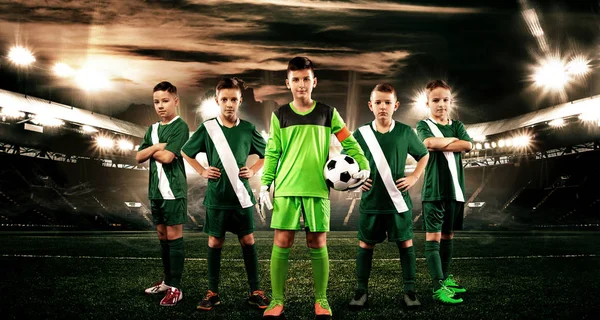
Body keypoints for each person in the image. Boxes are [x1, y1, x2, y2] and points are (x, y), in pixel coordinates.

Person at [260, 56, 370, 319]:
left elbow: (350, 143)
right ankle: (276, 301)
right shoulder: (279, 115)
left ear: (314, 82)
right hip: (286, 188)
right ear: (288, 83)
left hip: (318, 188)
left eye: (306, 79)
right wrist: (265, 183)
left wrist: (363, 164)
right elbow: (273, 152)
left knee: (317, 242)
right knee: (282, 241)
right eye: (296, 80)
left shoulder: (328, 113)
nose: (301, 85)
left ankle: (321, 300)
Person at [181, 77, 269, 311]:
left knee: (248, 240)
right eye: (224, 100)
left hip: (241, 197)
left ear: (240, 101)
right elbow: (186, 152)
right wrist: (201, 170)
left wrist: (252, 169)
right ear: (217, 101)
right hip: (217, 198)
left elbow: (266, 155)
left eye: (233, 99)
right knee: (215, 241)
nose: (229, 104)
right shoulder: (207, 127)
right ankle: (212, 292)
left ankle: (255, 291)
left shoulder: (248, 129)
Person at [348, 84, 429, 310]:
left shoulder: (405, 132)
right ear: (370, 105)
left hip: (398, 203)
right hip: (371, 203)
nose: (383, 107)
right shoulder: (361, 134)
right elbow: (347, 164)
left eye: (387, 102)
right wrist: (357, 180)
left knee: (405, 243)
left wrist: (413, 177)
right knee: (365, 245)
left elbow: (423, 155)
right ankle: (361, 291)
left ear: (396, 105)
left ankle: (410, 292)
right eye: (378, 102)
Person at [416, 79, 472, 304]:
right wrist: (451, 141)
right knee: (434, 238)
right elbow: (428, 143)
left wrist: (443, 143)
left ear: (451, 101)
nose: (441, 104)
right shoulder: (424, 125)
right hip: (434, 190)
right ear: (427, 102)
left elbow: (467, 145)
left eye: (445, 100)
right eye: (436, 100)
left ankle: (446, 280)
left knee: (448, 236)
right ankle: (437, 287)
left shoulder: (457, 124)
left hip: (455, 190)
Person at [137, 81, 189, 306]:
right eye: (156, 102)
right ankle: (167, 282)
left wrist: (151, 150)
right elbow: (138, 157)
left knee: (174, 237)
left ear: (176, 101)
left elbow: (169, 158)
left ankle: (176, 288)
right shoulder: (152, 129)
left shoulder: (180, 126)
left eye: (165, 101)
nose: (160, 106)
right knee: (162, 237)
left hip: (173, 191)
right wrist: (159, 147)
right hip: (155, 192)